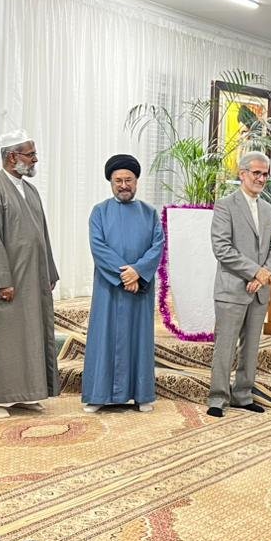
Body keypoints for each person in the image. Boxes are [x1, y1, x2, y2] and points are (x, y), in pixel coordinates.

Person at [0, 130, 60, 417]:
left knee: (32, 336)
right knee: (5, 338)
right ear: (13, 157)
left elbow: (42, 235)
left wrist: (49, 270)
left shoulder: (30, 190)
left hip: (33, 278)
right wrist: (2, 282)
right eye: (30, 154)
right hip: (8, 281)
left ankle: (26, 394)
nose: (35, 159)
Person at [83, 155, 164, 413]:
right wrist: (125, 275)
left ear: (136, 181)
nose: (123, 185)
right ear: (111, 182)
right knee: (104, 338)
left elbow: (157, 246)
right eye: (118, 181)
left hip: (139, 288)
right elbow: (98, 247)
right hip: (109, 288)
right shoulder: (99, 212)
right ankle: (98, 395)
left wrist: (138, 272)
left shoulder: (150, 213)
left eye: (128, 180)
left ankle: (142, 395)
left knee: (139, 340)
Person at [207, 153, 271, 418]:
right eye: (256, 173)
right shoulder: (225, 205)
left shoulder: (268, 209)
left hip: (259, 291)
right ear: (242, 174)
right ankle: (218, 397)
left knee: (250, 348)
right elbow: (222, 248)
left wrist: (263, 275)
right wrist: (255, 272)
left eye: (265, 174)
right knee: (225, 346)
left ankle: (243, 395)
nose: (261, 178)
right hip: (232, 288)